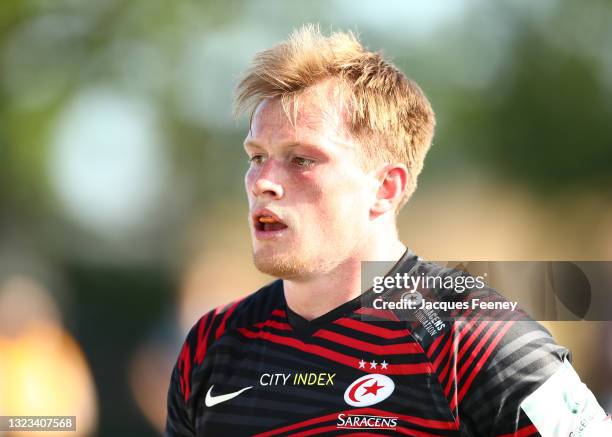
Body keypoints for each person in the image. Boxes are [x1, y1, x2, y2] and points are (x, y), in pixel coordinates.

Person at [165, 25, 610, 436]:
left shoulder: (474, 336)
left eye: (302, 159)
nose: (263, 181)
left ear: (385, 187)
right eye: (257, 156)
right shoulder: (213, 344)